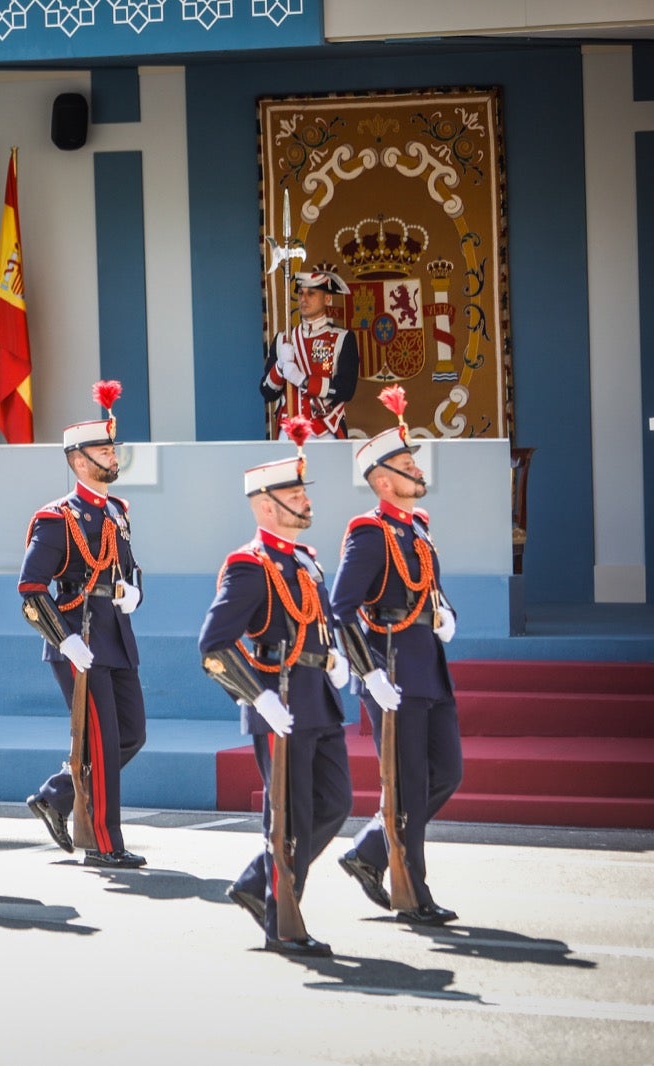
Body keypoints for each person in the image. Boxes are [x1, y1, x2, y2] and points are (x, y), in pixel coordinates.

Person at [196, 420, 354, 957]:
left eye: (304, 493)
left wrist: (336, 660)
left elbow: (319, 621)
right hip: (279, 699)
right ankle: (283, 923)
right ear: (265, 506)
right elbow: (214, 646)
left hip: (318, 697)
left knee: (335, 803)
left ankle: (254, 883)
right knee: (289, 818)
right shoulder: (248, 565)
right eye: (293, 495)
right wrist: (256, 695)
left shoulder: (305, 561)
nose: (305, 503)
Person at [330, 385, 464, 922]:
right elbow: (341, 608)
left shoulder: (420, 528)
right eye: (408, 464)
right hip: (390, 671)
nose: (418, 470)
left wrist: (446, 611)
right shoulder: (369, 531)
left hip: (427, 667)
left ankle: (368, 851)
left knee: (446, 773)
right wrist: (369, 671)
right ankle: (413, 895)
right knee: (406, 784)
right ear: (383, 481)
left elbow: (428, 587)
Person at [18, 381, 148, 868]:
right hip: (80, 638)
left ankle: (57, 794)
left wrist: (135, 590)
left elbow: (129, 568)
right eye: (103, 449)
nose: (113, 456)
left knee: (131, 734)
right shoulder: (56, 519)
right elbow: (31, 590)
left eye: (113, 448)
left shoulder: (117, 512)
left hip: (115, 634)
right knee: (100, 740)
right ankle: (103, 842)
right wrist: (65, 639)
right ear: (77, 461)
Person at [261, 271, 358, 440]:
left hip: (324, 429)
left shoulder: (342, 338)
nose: (304, 299)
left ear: (327, 299)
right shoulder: (283, 339)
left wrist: (303, 380)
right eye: (300, 293)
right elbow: (267, 392)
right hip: (288, 431)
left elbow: (345, 390)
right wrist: (280, 367)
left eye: (311, 293)